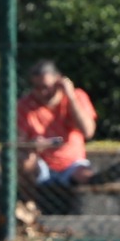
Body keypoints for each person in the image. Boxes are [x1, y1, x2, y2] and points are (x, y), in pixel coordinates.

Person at [16, 59, 98, 205]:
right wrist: (31, 145)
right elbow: (18, 141)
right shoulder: (24, 104)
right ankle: (29, 204)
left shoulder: (77, 96)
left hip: (72, 164)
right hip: (41, 165)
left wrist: (70, 97)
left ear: (59, 81)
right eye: (36, 87)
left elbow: (88, 131)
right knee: (24, 160)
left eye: (46, 87)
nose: (42, 92)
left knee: (84, 174)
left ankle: (92, 183)